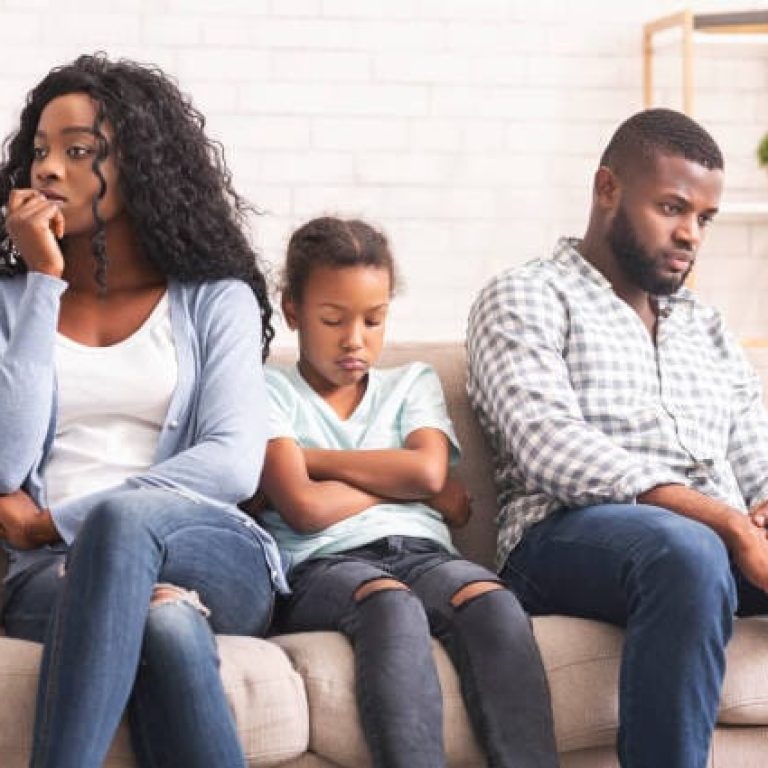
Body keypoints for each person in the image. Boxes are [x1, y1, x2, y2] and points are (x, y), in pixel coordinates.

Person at [0, 54, 287, 768]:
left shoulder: (215, 298)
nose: (48, 169)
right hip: (49, 573)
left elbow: (231, 463)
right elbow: (4, 466)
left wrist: (56, 521)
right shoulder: (12, 304)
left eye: (79, 151)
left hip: (208, 550)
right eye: (40, 151)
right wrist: (42, 283)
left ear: (143, 167)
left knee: (124, 522)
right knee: (167, 628)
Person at [467, 107, 768, 768]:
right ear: (608, 188)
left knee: (699, 548)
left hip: (715, 541)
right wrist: (723, 520)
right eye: (672, 208)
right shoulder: (526, 296)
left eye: (705, 218)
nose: (690, 234)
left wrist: (761, 510)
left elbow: (754, 447)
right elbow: (547, 444)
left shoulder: (705, 325)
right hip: (565, 537)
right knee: (688, 550)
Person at [253, 215, 559, 768]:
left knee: (493, 604)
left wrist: (312, 460)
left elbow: (427, 472)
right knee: (389, 605)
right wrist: (410, 490)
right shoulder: (267, 389)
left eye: (373, 320)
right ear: (293, 311)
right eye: (332, 319)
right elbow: (304, 507)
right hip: (322, 565)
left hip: (425, 555)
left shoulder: (412, 383)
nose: (355, 339)